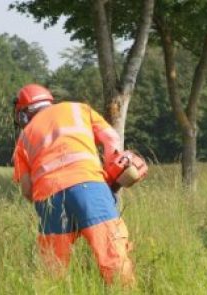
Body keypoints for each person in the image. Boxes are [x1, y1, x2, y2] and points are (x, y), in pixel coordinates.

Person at [12, 83, 134, 286]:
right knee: (112, 255)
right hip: (89, 186)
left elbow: (27, 191)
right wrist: (112, 172)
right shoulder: (78, 109)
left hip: (48, 198)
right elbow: (111, 137)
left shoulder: (23, 139)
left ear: (24, 114)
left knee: (53, 269)